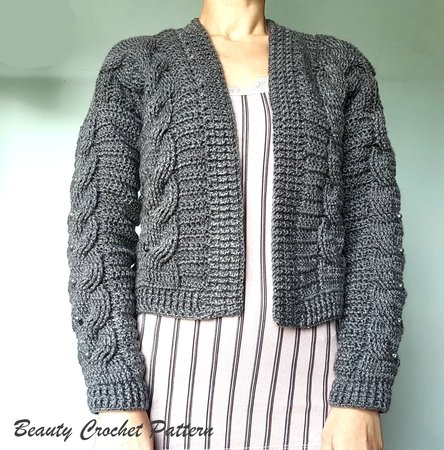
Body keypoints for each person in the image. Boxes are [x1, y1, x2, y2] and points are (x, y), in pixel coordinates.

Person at [66, 1, 407, 449]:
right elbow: (96, 236)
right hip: (169, 380)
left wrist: (361, 396)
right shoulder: (137, 64)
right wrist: (117, 402)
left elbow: (376, 238)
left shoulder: (339, 67)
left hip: (314, 386)